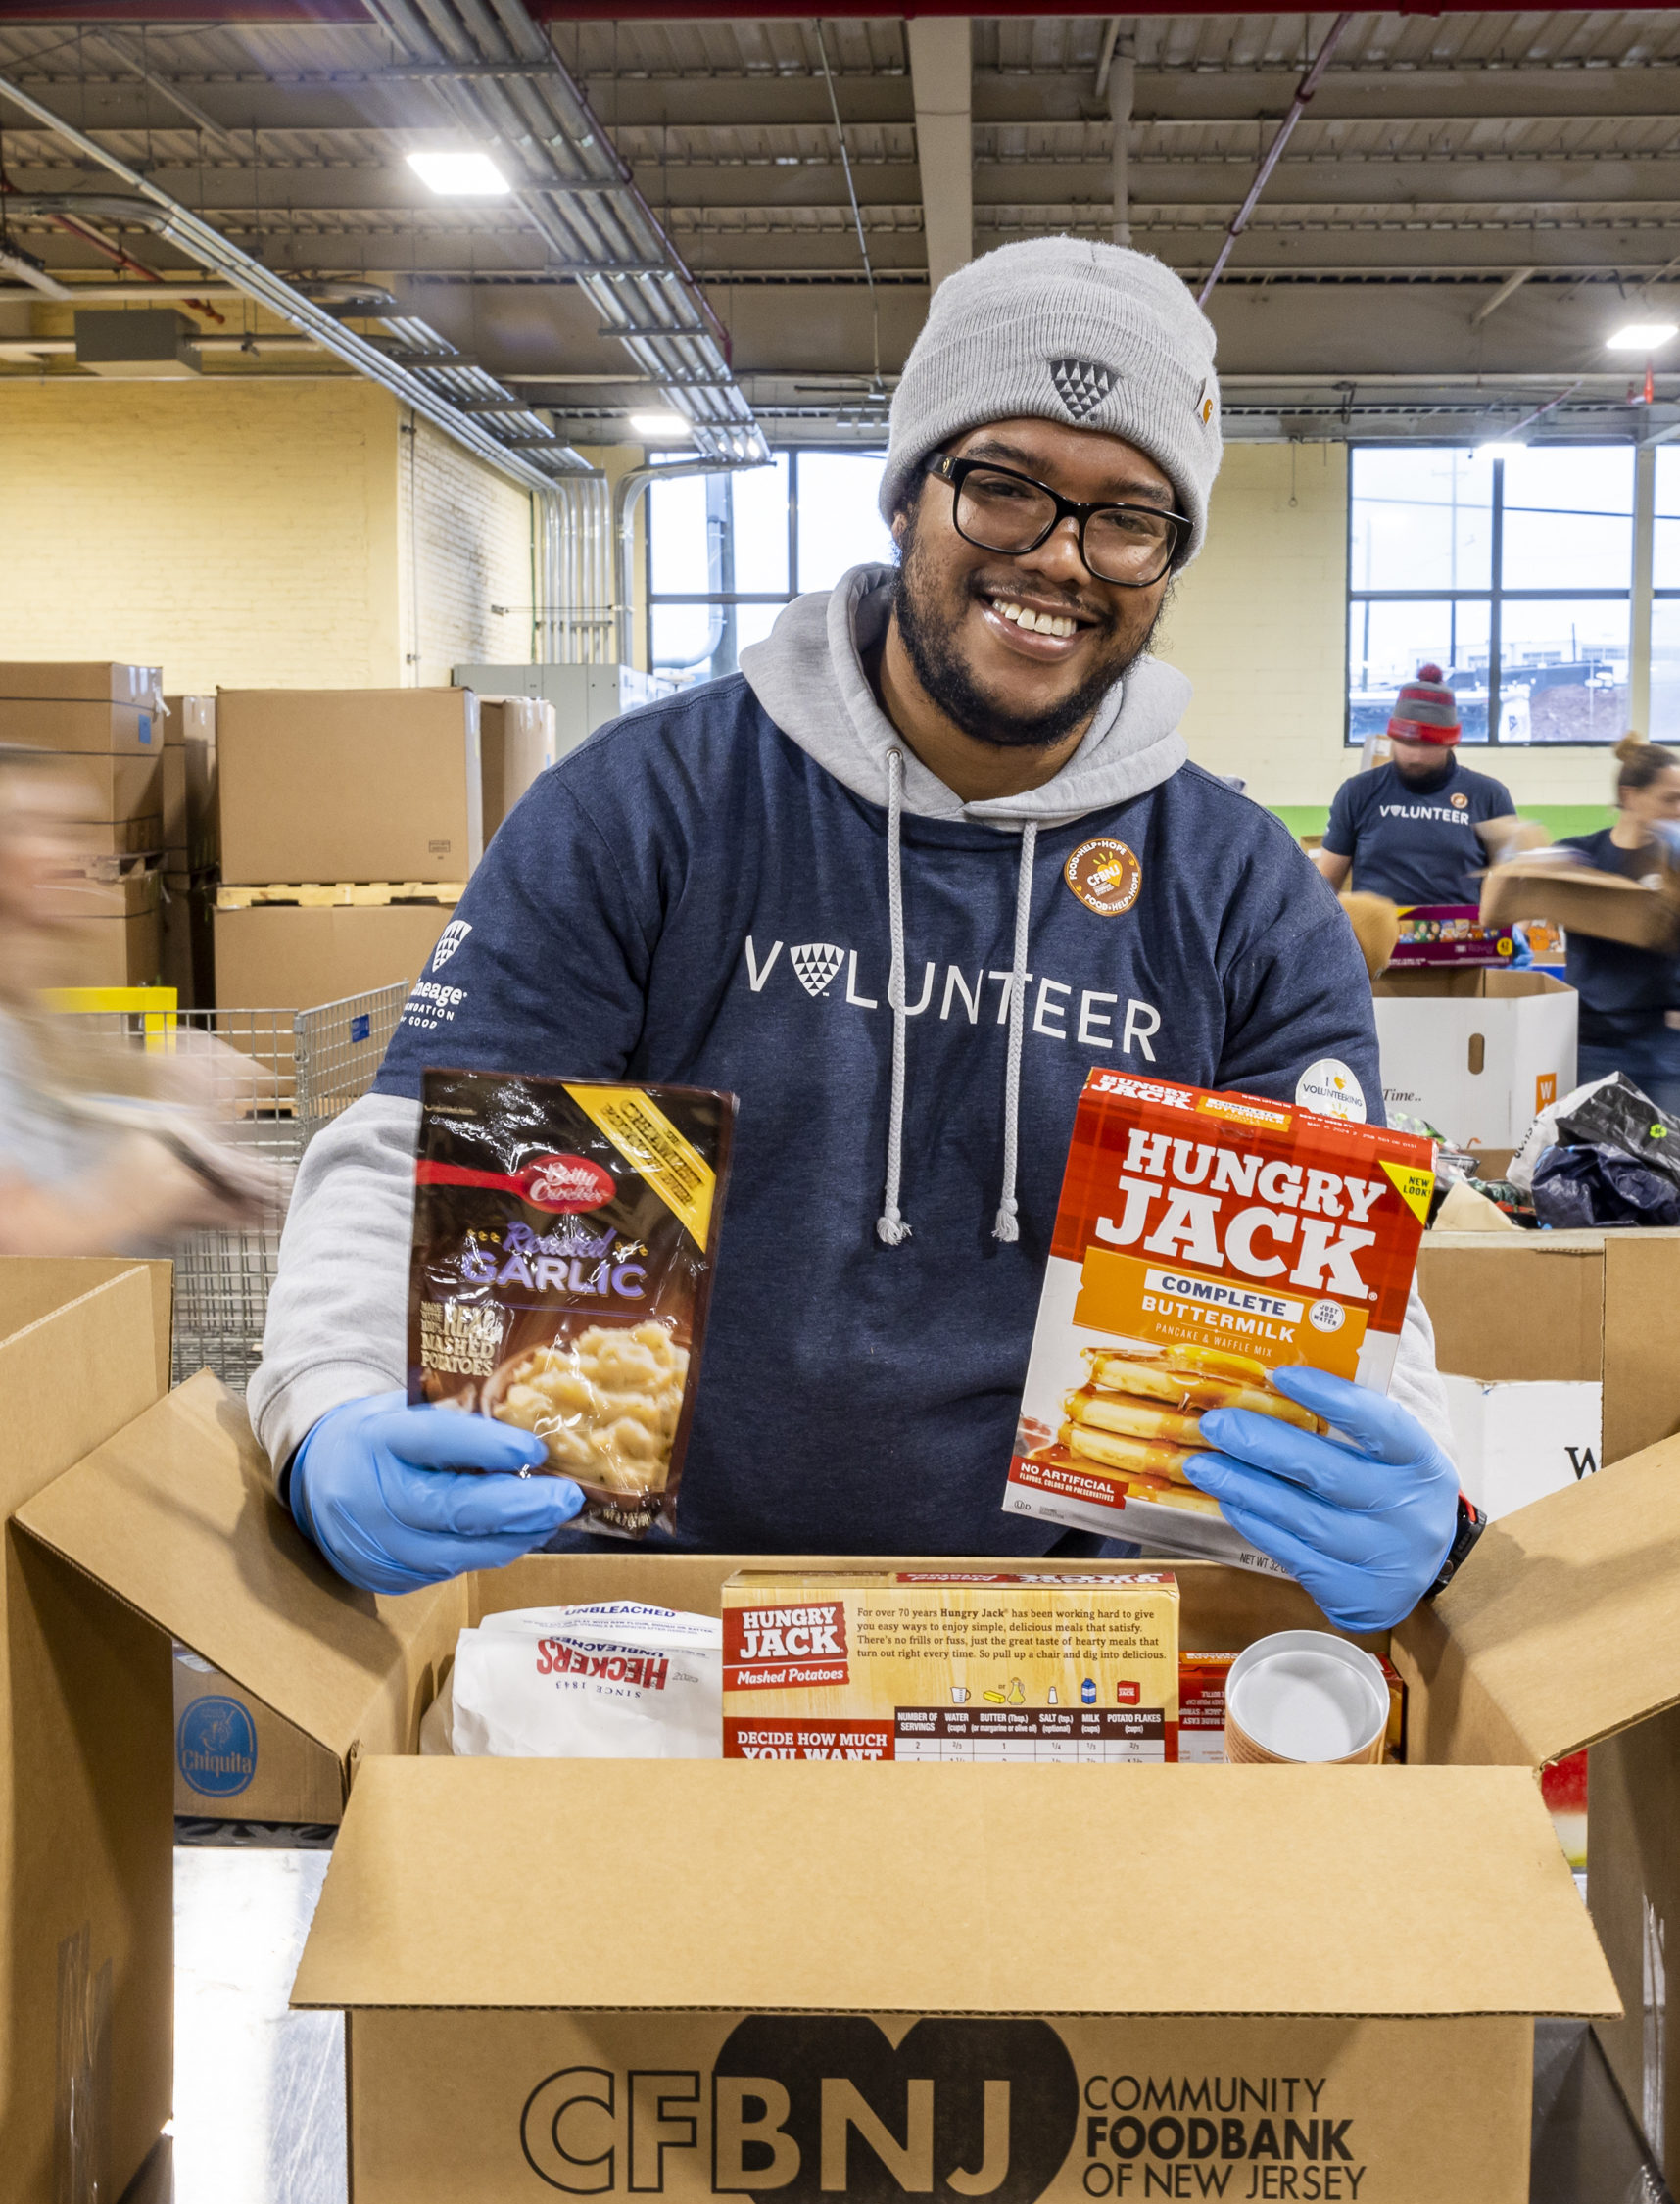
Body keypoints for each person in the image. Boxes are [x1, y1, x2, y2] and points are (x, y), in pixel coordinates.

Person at [253, 239, 1471, 1637]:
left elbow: (1346, 1287)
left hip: (1072, 1643)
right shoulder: (648, 806)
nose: (1058, 560)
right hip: (658, 1620)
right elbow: (416, 1152)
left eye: (1125, 517)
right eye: (1002, 487)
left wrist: (1410, 1500)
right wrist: (326, 1416)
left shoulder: (1241, 893)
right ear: (906, 498)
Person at [0, 761, 284, 1253]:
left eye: (74, 831)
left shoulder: (35, 1008)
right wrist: (163, 1180)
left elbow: (63, 1127)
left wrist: (162, 1084)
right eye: (39, 830)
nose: (78, 856)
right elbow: (17, 1237)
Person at [1316, 667, 1516, 906]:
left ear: (1451, 743)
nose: (1417, 756)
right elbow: (1324, 885)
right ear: (1394, 736)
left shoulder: (1489, 796)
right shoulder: (1357, 793)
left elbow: (1515, 884)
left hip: (1462, 940)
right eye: (1409, 743)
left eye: (1429, 745)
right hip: (1377, 940)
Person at [1556, 734, 1680, 1117]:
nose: (1679, 810)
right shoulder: (1580, 857)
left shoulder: (1676, 864)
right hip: (1593, 1040)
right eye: (1670, 799)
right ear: (1630, 796)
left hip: (1663, 1042)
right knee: (1594, 1163)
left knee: (1667, 1165)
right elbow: (1504, 903)